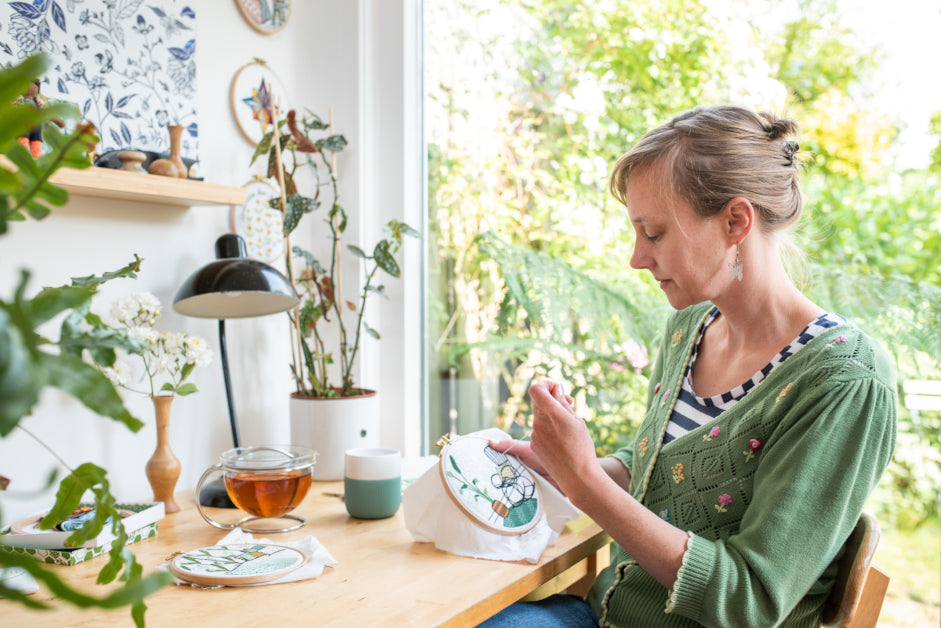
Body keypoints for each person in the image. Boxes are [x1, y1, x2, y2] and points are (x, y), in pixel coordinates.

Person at [482, 104, 897, 627]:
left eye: (654, 233)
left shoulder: (845, 382)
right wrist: (563, 466)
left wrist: (586, 481)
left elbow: (750, 601)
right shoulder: (690, 327)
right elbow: (654, 470)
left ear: (736, 221)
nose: (637, 257)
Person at [15, 79, 65, 158]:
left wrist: (56, 120)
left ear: (37, 90)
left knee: (36, 141)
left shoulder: (39, 102)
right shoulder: (19, 99)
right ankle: (22, 156)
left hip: (36, 125)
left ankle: (37, 157)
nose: (30, 88)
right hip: (24, 124)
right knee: (23, 138)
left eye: (34, 87)